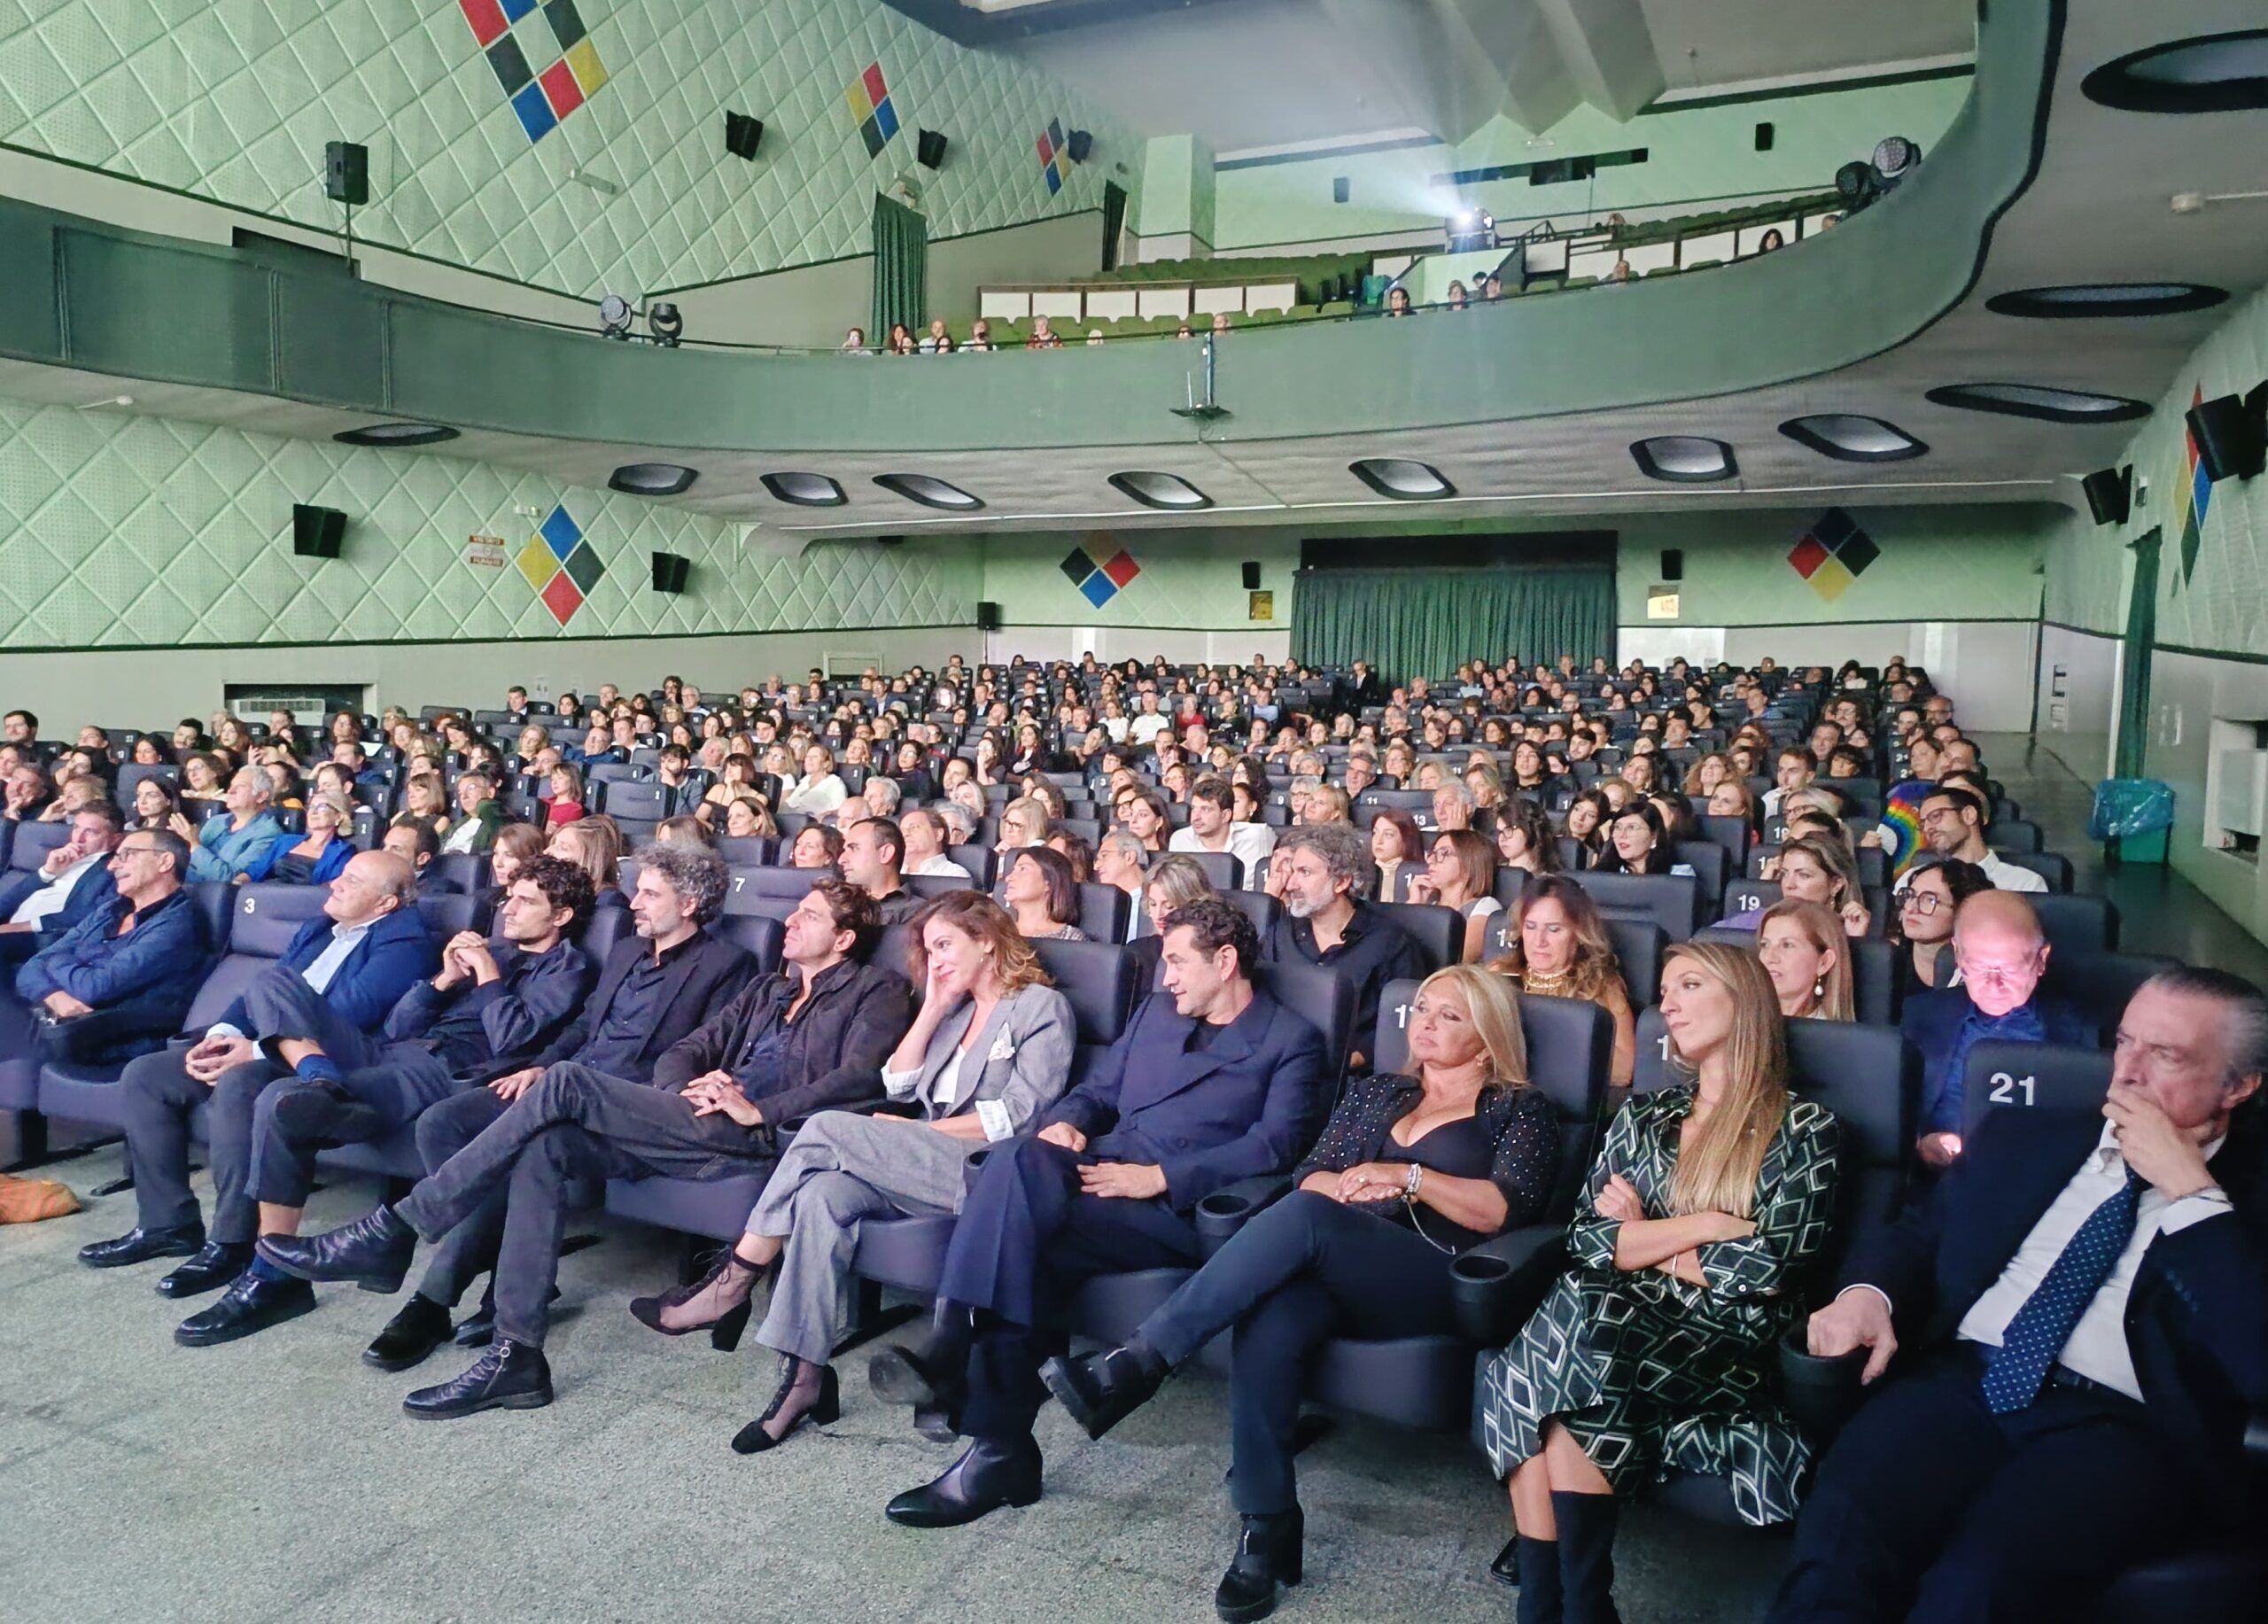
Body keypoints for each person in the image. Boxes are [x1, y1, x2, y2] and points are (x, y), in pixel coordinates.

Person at [1040, 967, 1560, 1618]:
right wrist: (1347, 1190)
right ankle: (1268, 1525)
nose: (1424, 1021)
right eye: (1422, 1007)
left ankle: (1139, 1363)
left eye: (1449, 1015)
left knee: (1307, 1221)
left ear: (1487, 1039)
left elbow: (1503, 1210)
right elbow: (1313, 1174)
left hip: (1438, 1277)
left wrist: (1406, 1178)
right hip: (1340, 1260)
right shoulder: (1380, 1092)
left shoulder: (1517, 1108)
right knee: (1273, 1312)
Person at [1772, 967, 2268, 1623]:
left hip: (2123, 1428)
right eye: (2125, 1042)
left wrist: (2190, 1192)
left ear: (2238, 1085)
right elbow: (1920, 1237)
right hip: (1961, 1380)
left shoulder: (2250, 1201)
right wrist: (1868, 1295)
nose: (2128, 1071)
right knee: (1843, 1539)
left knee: (1978, 1589)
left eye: (2167, 1055)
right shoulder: (2026, 1136)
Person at [866, 898, 1330, 1529]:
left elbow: (1274, 1146)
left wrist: (1161, 1176)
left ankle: (975, 1397)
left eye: (1176, 961)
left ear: (1225, 961)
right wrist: (1068, 1124)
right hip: (1095, 1178)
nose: (1164, 976)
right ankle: (987, 1431)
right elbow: (1097, 1091)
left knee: (1012, 1210)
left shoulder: (1290, 1040)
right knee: (1019, 1184)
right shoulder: (1158, 1013)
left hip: (1176, 1208)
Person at [256, 848, 765, 1415]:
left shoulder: (728, 964)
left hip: (633, 1108)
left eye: (648, 894)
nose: (631, 903)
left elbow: (700, 1050)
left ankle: (420, 1276)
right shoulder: (625, 951)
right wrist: (542, 1065)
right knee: (452, 1121)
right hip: (564, 1092)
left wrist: (585, 1080)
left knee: (550, 1104)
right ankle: (515, 1350)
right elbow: (581, 1030)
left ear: (689, 904)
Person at [1477, 943, 1845, 1621]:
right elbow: (1588, 1239)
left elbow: (1767, 1268)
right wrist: (1706, 1222)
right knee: (1582, 1323)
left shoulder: (1802, 1126)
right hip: (1623, 1321)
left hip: (1727, 1340)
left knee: (1554, 1354)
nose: (1666, 1002)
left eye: (1689, 984)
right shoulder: (1645, 1116)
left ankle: (1552, 1604)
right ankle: (1571, 1603)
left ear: (1743, 1002)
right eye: (1666, 987)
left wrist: (1642, 1238)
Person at [641, 892, 1075, 1452]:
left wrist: (907, 1135)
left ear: (987, 939)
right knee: (820, 1193)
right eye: (927, 949)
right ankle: (803, 1379)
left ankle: (735, 1280)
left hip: (983, 1174)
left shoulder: (1039, 1007)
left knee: (824, 1127)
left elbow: (1018, 1118)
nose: (935, 959)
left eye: (946, 945)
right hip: (919, 1161)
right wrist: (935, 1009)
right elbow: (899, 1086)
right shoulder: (957, 1009)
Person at [167, 859, 601, 1348]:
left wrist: (485, 974)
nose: (509, 909)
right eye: (509, 897)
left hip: (438, 1074)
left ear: (560, 917)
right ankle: (319, 1077)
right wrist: (443, 980)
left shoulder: (568, 968)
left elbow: (510, 1037)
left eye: (526, 901)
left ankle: (273, 1272)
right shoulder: (494, 949)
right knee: (272, 983)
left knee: (277, 1099)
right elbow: (399, 1026)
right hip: (385, 1052)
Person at [82, 852, 436, 1303]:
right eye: (341, 876)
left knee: (241, 1078)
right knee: (147, 1075)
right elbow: (254, 995)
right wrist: (220, 1037)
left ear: (385, 904)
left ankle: (231, 1242)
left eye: (352, 880)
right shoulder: (317, 927)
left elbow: (353, 1012)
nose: (335, 885)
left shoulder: (404, 943)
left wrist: (254, 1050)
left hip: (333, 1054)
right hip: (262, 1045)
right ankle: (166, 1224)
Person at [1901, 892, 2093, 1172]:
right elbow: (1888, 1110)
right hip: (1928, 1180)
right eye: (1978, 968)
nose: (1993, 984)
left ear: (2041, 959)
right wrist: (1919, 1143)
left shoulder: (2084, 1034)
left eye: (2009, 969)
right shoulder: (1919, 1015)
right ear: (1957, 955)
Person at [6, 827, 208, 1076]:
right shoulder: (111, 910)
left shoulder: (176, 925)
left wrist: (56, 961)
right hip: (56, 1020)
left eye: (127, 855)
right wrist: (54, 995)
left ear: (165, 861)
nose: (113, 866)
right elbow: (33, 965)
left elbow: (94, 989)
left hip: (108, 1036)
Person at [1264, 823, 1430, 1072]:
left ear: (1341, 882)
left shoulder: (1390, 944)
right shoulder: (1281, 934)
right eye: (1293, 871)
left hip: (1346, 1078)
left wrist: (1353, 1058)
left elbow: (1403, 1023)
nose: (1290, 884)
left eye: (1305, 872)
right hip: (1276, 1066)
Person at [1487, 875, 1637, 1086]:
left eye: (1554, 929)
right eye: (1530, 926)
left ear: (1578, 933)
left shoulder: (1601, 987)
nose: (1539, 941)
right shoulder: (1498, 974)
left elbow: (1624, 1072)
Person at [0, 802, 124, 963]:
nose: (78, 838)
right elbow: (8, 900)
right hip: (10, 928)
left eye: (91, 832)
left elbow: (92, 915)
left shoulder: (113, 870)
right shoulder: (60, 856)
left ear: (115, 839)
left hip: (41, 939)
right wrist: (46, 872)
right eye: (76, 828)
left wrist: (13, 928)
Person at [1898, 786, 2046, 895]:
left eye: (1936, 816)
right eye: (1923, 824)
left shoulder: (2024, 884)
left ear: (1969, 815)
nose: (1928, 828)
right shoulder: (1911, 880)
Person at [1889, 857, 1993, 991]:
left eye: (1929, 900)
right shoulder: (1888, 962)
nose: (1910, 908)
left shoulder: (1980, 975)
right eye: (1910, 896)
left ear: (1963, 910)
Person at [1405, 828, 1503, 963]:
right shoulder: (1430, 906)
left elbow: (1459, 956)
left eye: (1443, 853)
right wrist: (1414, 905)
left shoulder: (1485, 906)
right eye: (1432, 853)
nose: (1431, 860)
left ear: (1469, 862)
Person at [183, 766, 284, 882]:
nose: (230, 791)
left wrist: (194, 846)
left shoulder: (268, 832)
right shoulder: (216, 821)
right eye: (231, 786)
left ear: (261, 796)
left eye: (240, 786)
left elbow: (232, 879)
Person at [1759, 898, 1855, 1021]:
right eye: (1764, 945)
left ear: (1824, 963)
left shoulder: (1834, 1037)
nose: (1769, 957)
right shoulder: (1740, 1020)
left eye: (1787, 945)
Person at [1168, 774, 1276, 880]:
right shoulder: (1179, 840)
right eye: (1194, 808)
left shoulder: (1260, 836)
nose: (1196, 817)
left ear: (1225, 815)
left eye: (1205, 809)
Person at [239, 791, 355, 885]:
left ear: (339, 817)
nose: (313, 812)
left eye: (322, 807)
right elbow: (253, 872)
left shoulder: (342, 851)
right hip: (264, 895)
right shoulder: (285, 841)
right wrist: (235, 883)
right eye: (311, 807)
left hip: (301, 905)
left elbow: (330, 887)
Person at [838, 816, 923, 925]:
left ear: (885, 854)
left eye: (854, 848)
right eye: (845, 850)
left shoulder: (919, 913)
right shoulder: (838, 903)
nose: (841, 860)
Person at [999, 845, 1086, 942]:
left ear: (1049, 881)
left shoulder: (1072, 939)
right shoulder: (997, 933)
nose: (1008, 878)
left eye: (1023, 869)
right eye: (1013, 870)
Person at [438, 771, 504, 854]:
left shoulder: (498, 819)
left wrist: (483, 802)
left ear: (490, 792)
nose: (464, 796)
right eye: (460, 793)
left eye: (471, 788)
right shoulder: (457, 825)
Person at [1367, 809, 1425, 903]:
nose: (1379, 841)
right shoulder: (1360, 874)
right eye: (1375, 833)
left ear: (1405, 841)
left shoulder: (1419, 879)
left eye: (1388, 835)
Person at [901, 806, 969, 880]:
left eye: (914, 827)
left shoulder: (954, 875)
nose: (905, 834)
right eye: (902, 831)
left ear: (938, 834)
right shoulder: (892, 871)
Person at [783, 745, 848, 816]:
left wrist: (824, 816)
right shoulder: (804, 781)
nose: (809, 759)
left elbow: (841, 810)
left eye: (815, 757)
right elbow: (790, 804)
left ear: (826, 763)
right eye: (807, 756)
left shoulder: (835, 783)